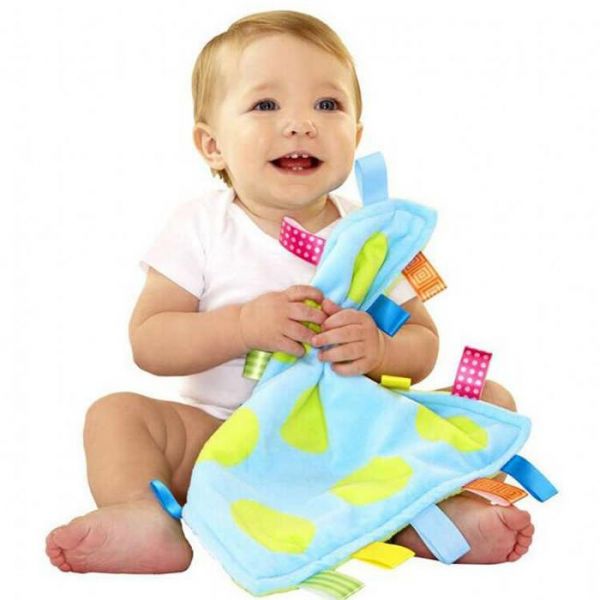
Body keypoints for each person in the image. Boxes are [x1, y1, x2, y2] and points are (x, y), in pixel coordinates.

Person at [45, 10, 534, 575]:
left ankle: (429, 516)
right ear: (212, 145)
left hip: (349, 441)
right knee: (115, 417)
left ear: (356, 136)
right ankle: (142, 515)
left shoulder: (370, 237)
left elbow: (423, 343)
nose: (301, 124)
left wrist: (379, 349)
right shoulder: (201, 227)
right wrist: (240, 326)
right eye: (265, 105)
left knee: (488, 398)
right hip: (223, 440)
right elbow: (150, 342)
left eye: (327, 105)